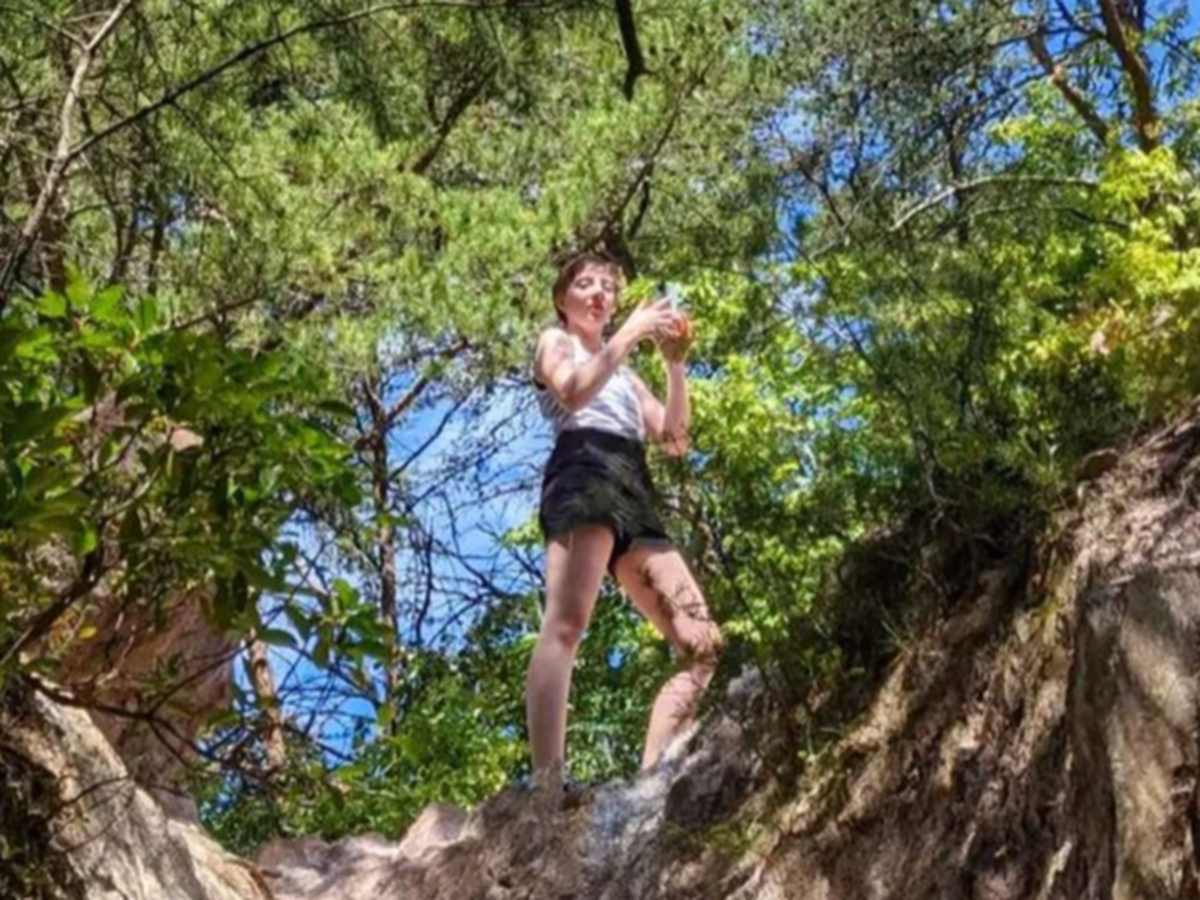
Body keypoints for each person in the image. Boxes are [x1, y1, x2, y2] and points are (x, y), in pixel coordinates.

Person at [527, 253, 724, 791]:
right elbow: (572, 390)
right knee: (566, 624)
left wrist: (675, 364)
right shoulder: (554, 341)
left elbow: (675, 440)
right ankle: (546, 785)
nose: (599, 293)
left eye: (608, 288)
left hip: (633, 481)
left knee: (704, 644)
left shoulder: (627, 376)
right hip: (582, 466)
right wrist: (632, 332)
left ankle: (650, 782)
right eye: (585, 284)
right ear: (562, 301)